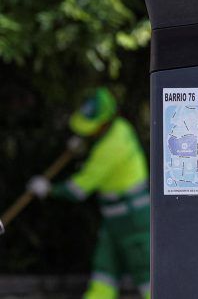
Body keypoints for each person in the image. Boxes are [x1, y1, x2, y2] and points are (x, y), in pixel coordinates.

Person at [27, 87, 150, 299]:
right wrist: (83, 146)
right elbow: (97, 142)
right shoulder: (120, 127)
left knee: (149, 279)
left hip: (135, 224)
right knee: (103, 278)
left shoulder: (111, 149)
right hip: (115, 222)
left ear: (104, 122)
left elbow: (78, 190)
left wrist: (48, 189)